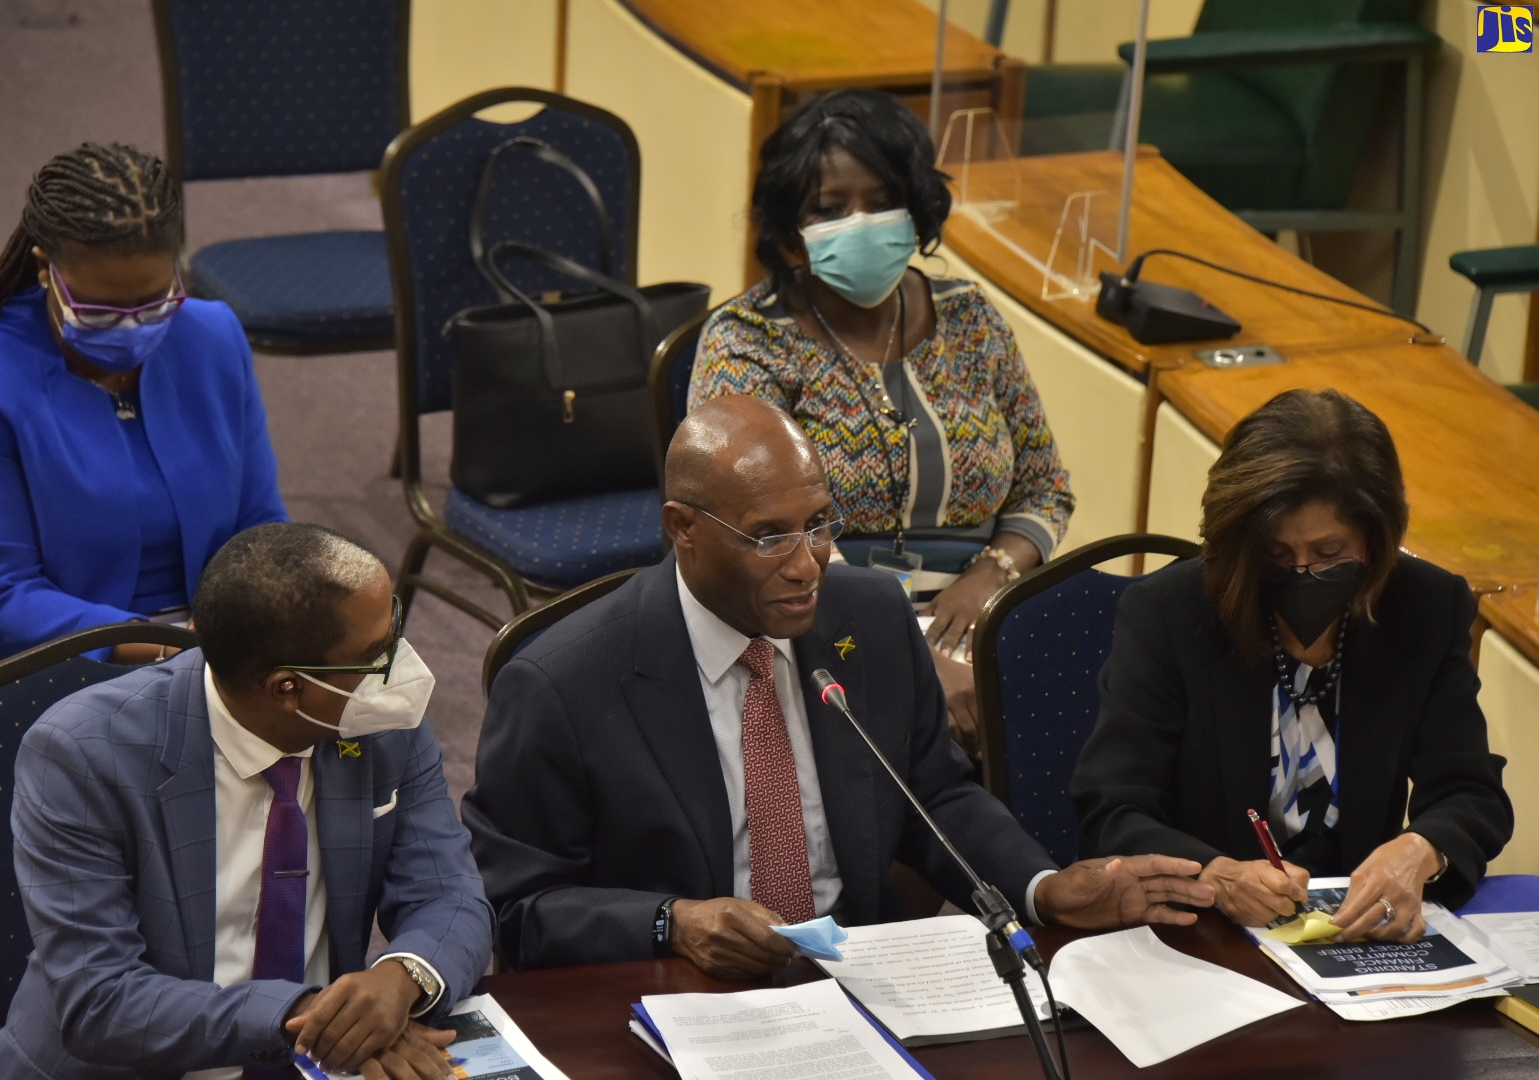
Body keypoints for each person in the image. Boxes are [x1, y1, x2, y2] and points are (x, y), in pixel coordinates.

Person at [464, 395, 1209, 978]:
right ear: (682, 528)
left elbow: (934, 794)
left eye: (819, 524)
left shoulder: (871, 617)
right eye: (769, 536)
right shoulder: (564, 682)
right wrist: (671, 922)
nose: (806, 564)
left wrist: (1043, 888)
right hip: (676, 992)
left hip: (861, 979)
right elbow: (519, 908)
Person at [0, 523, 493, 1080]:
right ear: (288, 687)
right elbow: (101, 999)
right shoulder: (82, 754)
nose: (400, 668)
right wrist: (311, 1016)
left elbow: (450, 891)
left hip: (323, 1064)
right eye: (375, 655)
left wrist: (400, 977)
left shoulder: (380, 724)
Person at [689, 89, 1074, 756]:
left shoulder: (970, 318)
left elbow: (1046, 488)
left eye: (881, 200)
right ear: (790, 229)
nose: (860, 223)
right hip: (813, 616)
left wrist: (989, 578)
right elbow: (763, 536)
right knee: (926, 726)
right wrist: (913, 653)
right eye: (830, 208)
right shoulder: (747, 342)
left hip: (979, 609)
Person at [1072, 389, 1512, 943]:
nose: (1303, 573)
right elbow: (1112, 808)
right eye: (1275, 556)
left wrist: (1420, 849)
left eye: (1329, 554)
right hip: (1207, 933)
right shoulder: (1172, 613)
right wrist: (1215, 874)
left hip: (1355, 935)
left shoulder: (1424, 607)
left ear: (1374, 541)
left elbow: (1472, 793)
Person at [0, 142, 285, 777]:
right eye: (99, 310)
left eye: (154, 302)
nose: (132, 328)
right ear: (45, 270)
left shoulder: (212, 336)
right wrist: (176, 650)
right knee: (140, 786)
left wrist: (251, 621)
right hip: (22, 654)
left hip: (205, 640)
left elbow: (260, 524)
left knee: (350, 730)